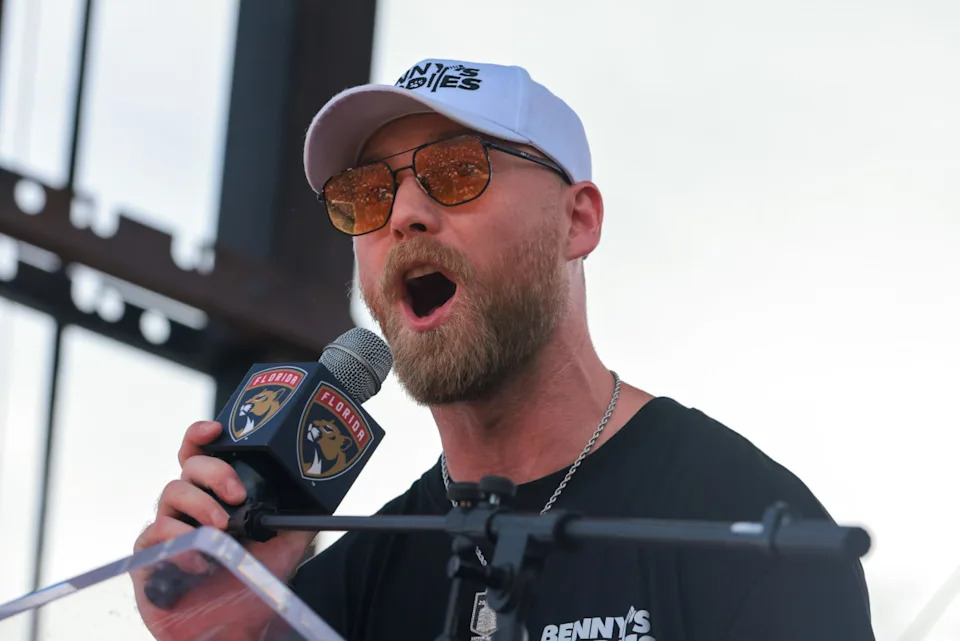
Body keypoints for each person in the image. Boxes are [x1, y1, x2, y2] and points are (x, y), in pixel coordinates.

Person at [133, 58, 875, 641]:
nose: (404, 214)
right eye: (365, 194)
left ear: (576, 221)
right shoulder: (341, 592)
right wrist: (237, 631)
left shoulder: (744, 523)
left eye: (458, 171)